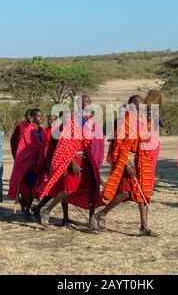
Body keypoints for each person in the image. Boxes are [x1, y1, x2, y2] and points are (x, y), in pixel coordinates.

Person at [36, 95, 104, 229]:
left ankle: (91, 220)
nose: (90, 104)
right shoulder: (73, 121)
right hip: (74, 159)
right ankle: (47, 210)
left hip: (88, 160)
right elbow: (65, 143)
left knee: (92, 188)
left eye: (91, 101)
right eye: (87, 102)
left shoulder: (91, 121)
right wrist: (72, 161)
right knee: (68, 188)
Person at [96, 95, 158, 237]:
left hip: (140, 161)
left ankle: (144, 227)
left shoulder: (141, 121)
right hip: (126, 161)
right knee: (125, 193)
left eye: (143, 103)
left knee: (142, 192)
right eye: (139, 104)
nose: (142, 105)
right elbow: (118, 145)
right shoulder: (124, 120)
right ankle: (102, 214)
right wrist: (127, 164)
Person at [7, 109, 46, 220]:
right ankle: (26, 211)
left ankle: (29, 209)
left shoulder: (42, 129)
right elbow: (24, 148)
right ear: (32, 117)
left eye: (42, 116)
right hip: (30, 164)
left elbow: (43, 146)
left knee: (35, 187)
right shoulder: (28, 131)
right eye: (38, 116)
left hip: (39, 163)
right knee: (29, 188)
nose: (41, 118)